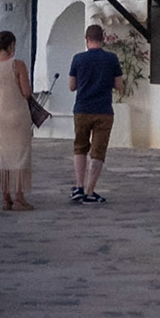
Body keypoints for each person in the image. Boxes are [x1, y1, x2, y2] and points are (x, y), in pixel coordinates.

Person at [66, 23, 123, 204]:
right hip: (104, 110)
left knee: (80, 147)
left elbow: (72, 86)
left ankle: (79, 186)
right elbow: (119, 85)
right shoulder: (112, 59)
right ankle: (90, 191)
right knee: (98, 152)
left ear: (87, 39)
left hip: (82, 108)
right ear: (103, 38)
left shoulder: (78, 59)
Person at [0, 30, 34, 211]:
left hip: (0, 115)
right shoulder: (18, 65)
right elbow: (26, 92)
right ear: (12, 44)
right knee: (21, 155)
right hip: (18, 114)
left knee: (3, 155)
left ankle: (6, 197)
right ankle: (20, 196)